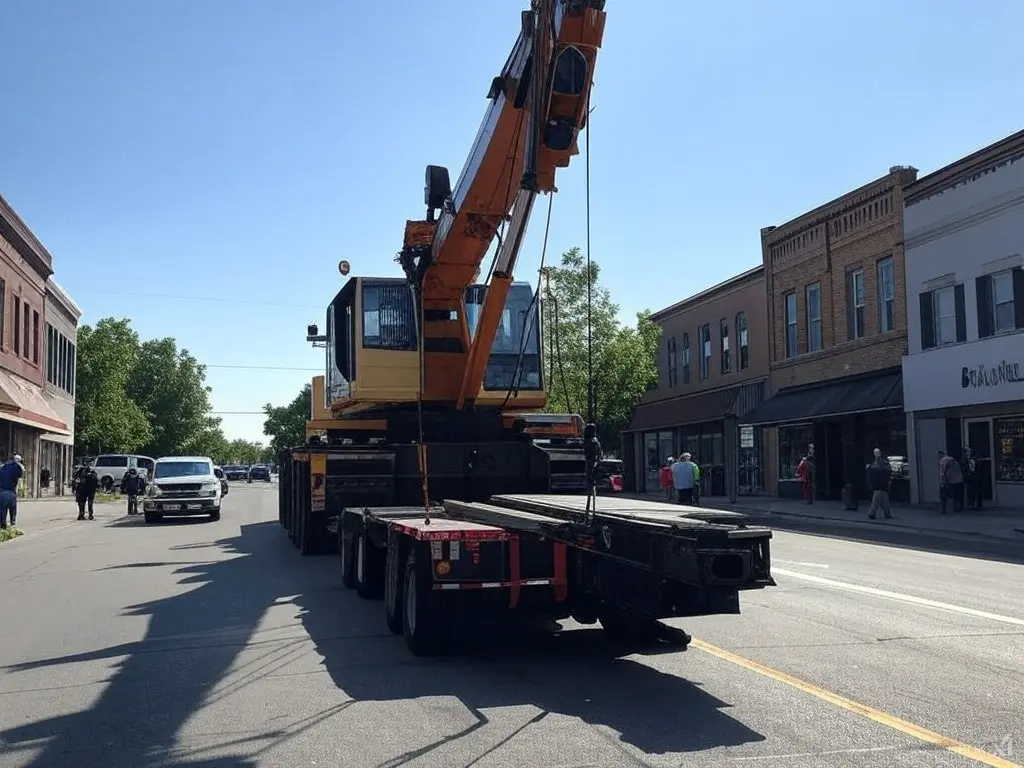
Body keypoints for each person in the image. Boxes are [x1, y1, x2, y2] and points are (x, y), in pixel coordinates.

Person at [865, 448, 893, 520]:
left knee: (876, 500)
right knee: (884, 499)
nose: (876, 454)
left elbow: (879, 469)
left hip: (879, 484)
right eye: (875, 453)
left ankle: (872, 513)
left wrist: (870, 467)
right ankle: (887, 514)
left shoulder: (881, 462)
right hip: (881, 484)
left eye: (877, 453)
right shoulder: (879, 461)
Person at [0, 454, 25, 529]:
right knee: (12, 507)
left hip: (2, 491)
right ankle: (12, 523)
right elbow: (20, 476)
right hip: (10, 491)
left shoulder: (3, 466)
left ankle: (3, 525)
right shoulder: (17, 467)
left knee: (2, 510)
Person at [939, 449, 963, 514]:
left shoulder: (944, 460)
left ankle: (944, 509)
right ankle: (956, 508)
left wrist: (943, 480)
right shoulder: (954, 461)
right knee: (956, 495)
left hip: (948, 480)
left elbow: (944, 471)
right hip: (956, 480)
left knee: (944, 495)